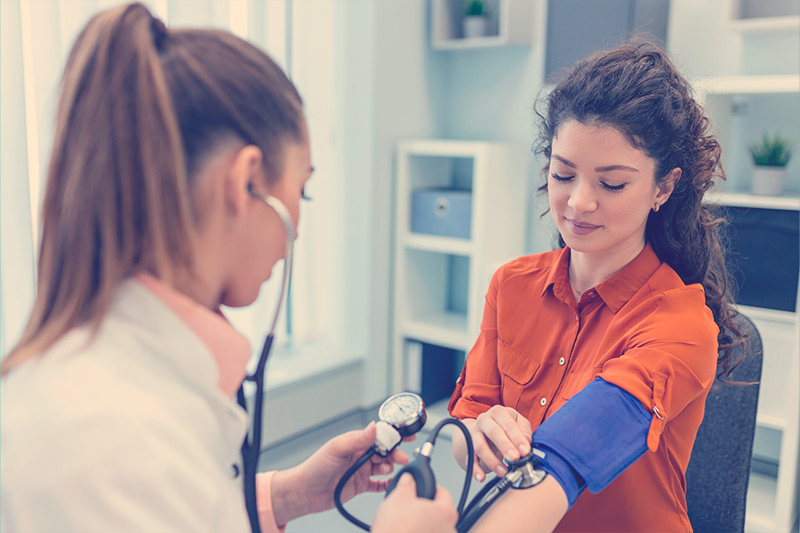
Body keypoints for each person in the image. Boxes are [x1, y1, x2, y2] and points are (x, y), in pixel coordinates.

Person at [0, 3, 457, 532]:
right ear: (246, 184)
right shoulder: (105, 441)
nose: (300, 227)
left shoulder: (128, 392)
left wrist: (288, 495)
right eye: (302, 189)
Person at [447, 41, 747, 532]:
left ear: (664, 188)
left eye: (611, 185)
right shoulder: (511, 286)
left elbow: (572, 454)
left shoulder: (682, 323)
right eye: (564, 174)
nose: (579, 202)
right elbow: (462, 429)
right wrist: (480, 433)